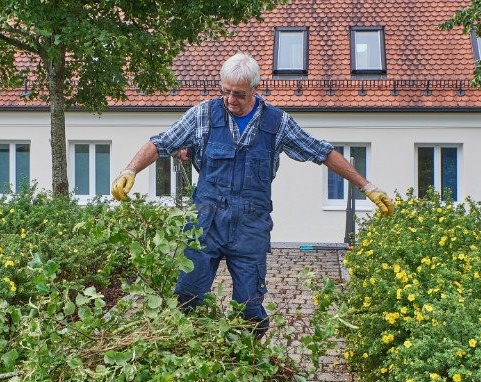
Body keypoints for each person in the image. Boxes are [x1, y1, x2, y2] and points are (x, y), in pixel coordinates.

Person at [112, 52, 393, 338]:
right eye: (225, 91)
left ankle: (248, 357)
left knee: (249, 309)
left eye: (239, 94)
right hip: (205, 224)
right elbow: (161, 143)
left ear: (255, 89)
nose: (230, 100)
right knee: (187, 298)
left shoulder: (277, 123)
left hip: (250, 228)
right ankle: (188, 350)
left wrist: (366, 186)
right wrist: (130, 170)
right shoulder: (203, 115)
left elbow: (322, 152)